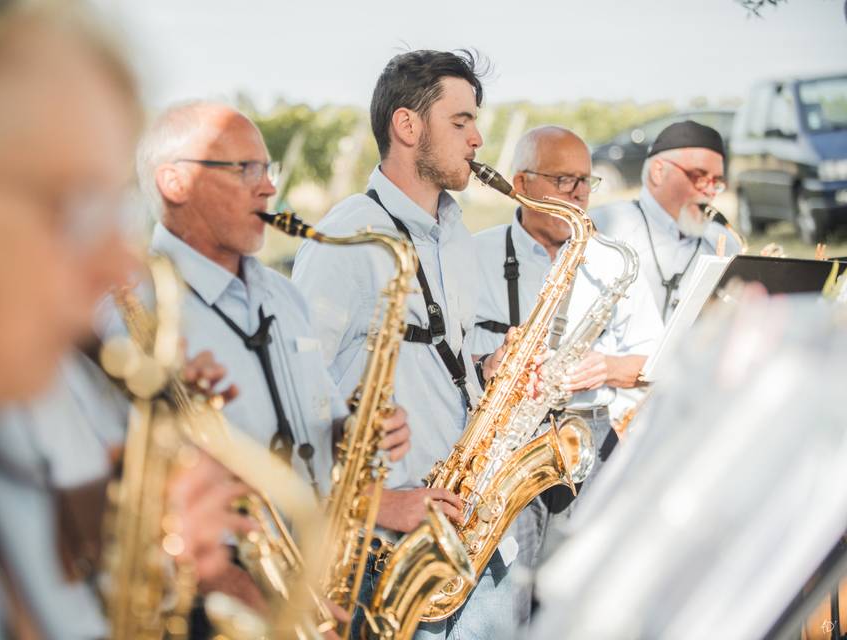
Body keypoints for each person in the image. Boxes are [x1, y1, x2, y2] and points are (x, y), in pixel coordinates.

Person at [0, 2, 251, 638]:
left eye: (111, 208)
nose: (118, 267)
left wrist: (147, 548)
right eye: (71, 208)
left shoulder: (0, 470)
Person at [130, 100, 412, 610]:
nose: (268, 187)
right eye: (245, 169)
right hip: (217, 597)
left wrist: (357, 427)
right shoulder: (135, 315)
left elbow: (319, 419)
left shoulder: (283, 297)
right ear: (174, 182)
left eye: (267, 168)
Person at [292, 49, 512, 639]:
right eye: (460, 121)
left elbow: (442, 355)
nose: (477, 138)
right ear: (407, 126)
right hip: (383, 551)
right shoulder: (346, 235)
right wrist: (382, 504)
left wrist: (493, 368)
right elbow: (292, 396)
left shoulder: (457, 232)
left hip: (465, 526)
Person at [467, 125, 664, 625]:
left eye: (585, 182)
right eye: (563, 181)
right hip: (506, 438)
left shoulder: (613, 258)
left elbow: (657, 358)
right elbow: (454, 352)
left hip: (589, 430)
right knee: (506, 594)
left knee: (593, 589)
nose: (578, 195)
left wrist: (610, 366)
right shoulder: (473, 254)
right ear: (521, 183)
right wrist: (490, 362)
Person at [591, 120, 742, 323]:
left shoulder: (723, 240)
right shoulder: (604, 225)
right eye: (699, 176)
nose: (709, 191)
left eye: (717, 182)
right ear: (658, 172)